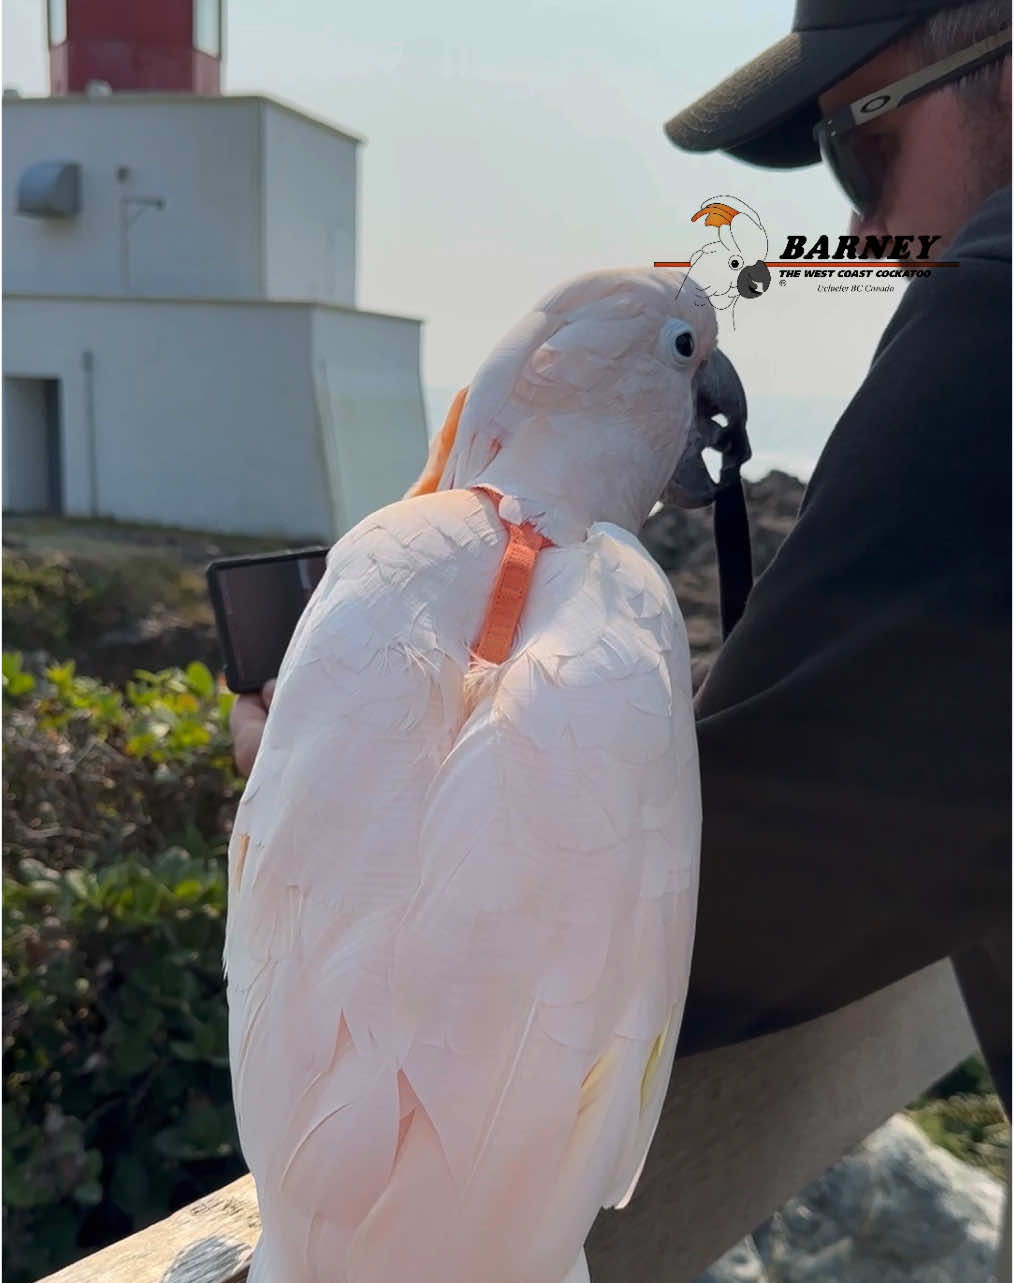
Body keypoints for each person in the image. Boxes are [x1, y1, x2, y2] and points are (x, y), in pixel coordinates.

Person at [230, 0, 1011, 1114]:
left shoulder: (998, 309)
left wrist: (333, 785)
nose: (854, 232)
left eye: (858, 145)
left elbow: (711, 917)